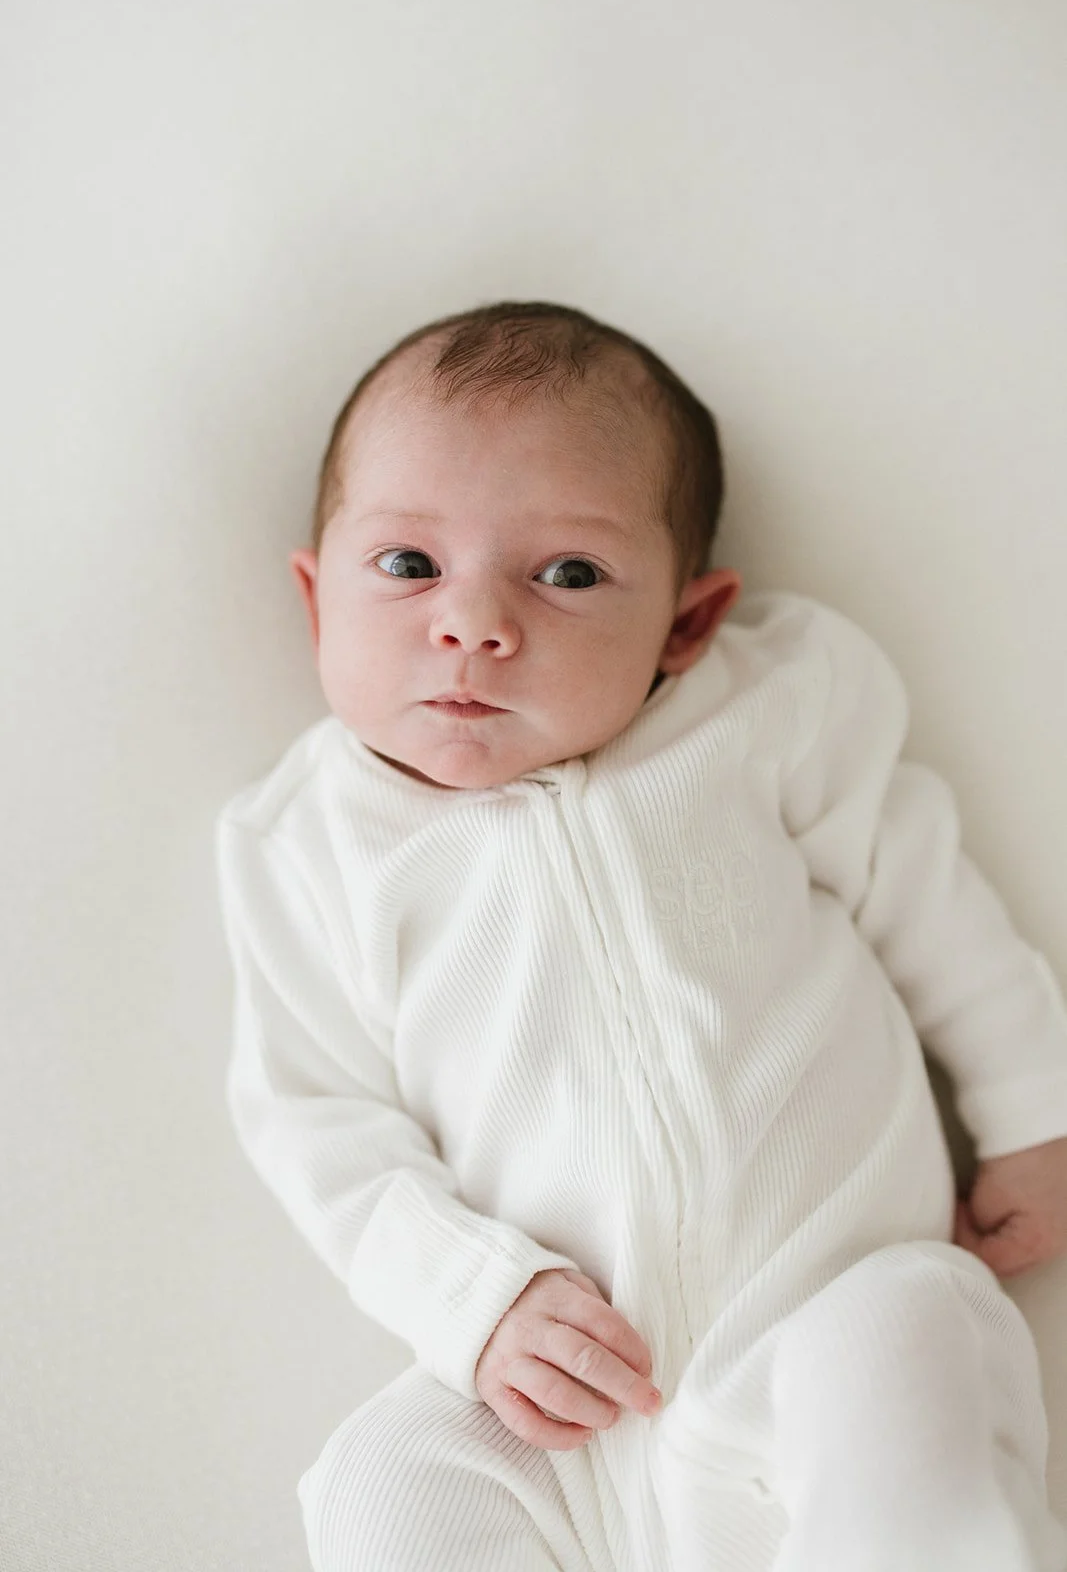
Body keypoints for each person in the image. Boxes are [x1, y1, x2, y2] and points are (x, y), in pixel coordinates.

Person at [214, 300, 1067, 1571]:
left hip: (817, 1325)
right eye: (407, 566)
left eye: (567, 573)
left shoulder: (764, 712)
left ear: (685, 622)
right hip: (553, 1416)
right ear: (313, 596)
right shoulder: (309, 842)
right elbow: (314, 1118)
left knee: (914, 1332)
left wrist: (1030, 1106)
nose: (473, 623)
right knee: (381, 1478)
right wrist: (471, 1297)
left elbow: (926, 896)